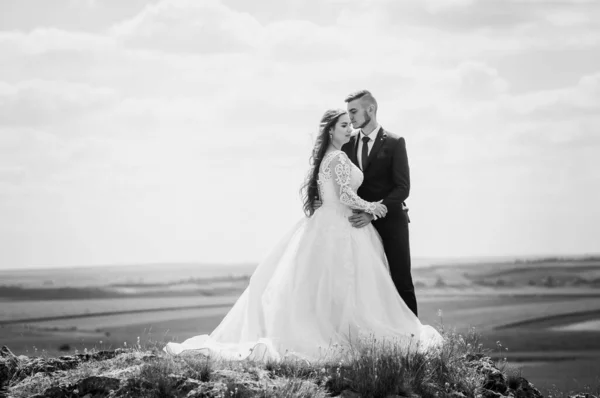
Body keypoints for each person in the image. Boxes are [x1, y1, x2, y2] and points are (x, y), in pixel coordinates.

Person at [163, 109, 441, 362]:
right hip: (342, 227)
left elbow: (330, 194)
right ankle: (341, 336)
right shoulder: (339, 158)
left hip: (327, 224)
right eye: (344, 125)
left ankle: (334, 331)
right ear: (331, 131)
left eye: (349, 125)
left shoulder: (326, 159)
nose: (349, 129)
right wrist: (374, 207)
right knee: (347, 285)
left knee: (330, 287)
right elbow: (345, 195)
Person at [316, 90, 418, 316]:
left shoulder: (394, 142)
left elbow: (403, 188)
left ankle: (414, 339)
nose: (350, 118)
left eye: (354, 111)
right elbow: (333, 176)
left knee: (401, 280)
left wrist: (372, 212)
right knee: (365, 284)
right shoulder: (346, 143)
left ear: (370, 109)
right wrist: (319, 200)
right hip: (355, 224)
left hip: (390, 220)